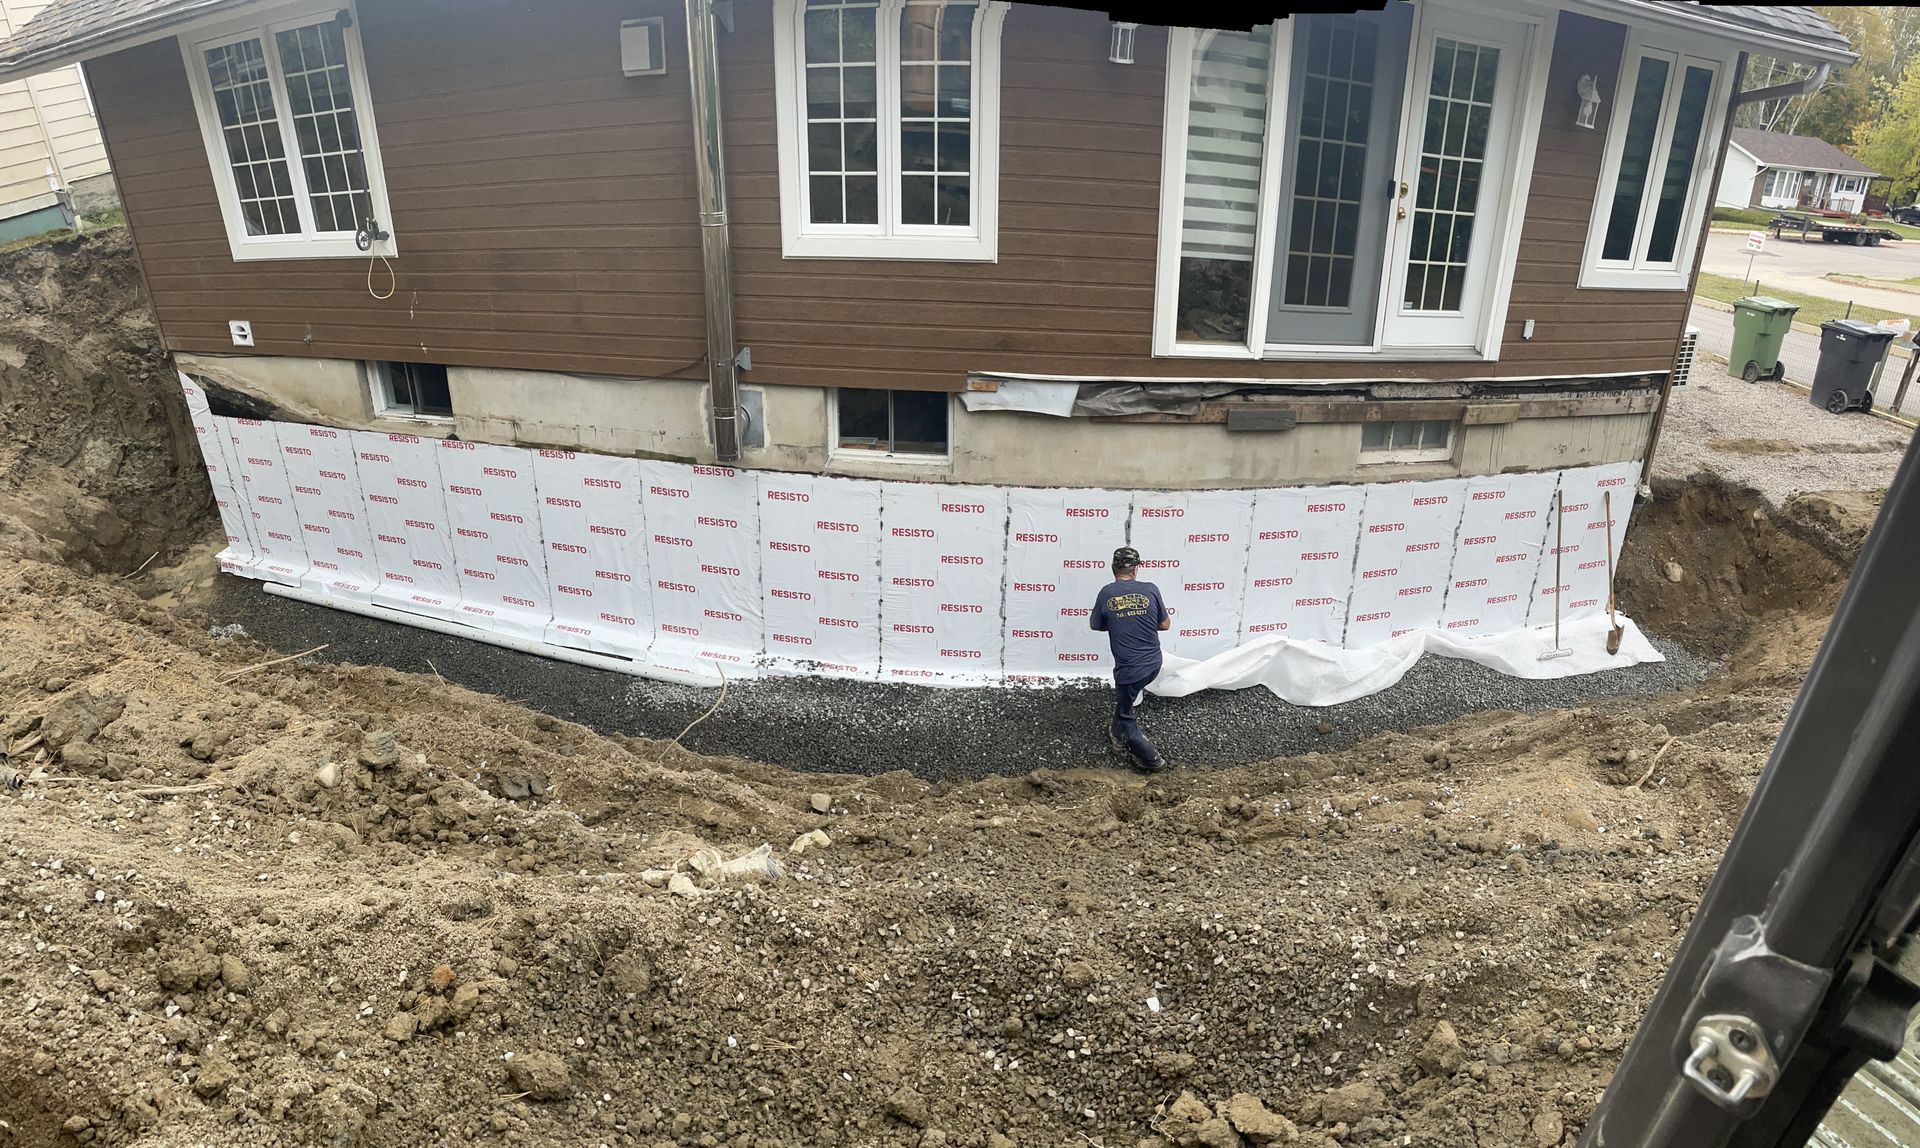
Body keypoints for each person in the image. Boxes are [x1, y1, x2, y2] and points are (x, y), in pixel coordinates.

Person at [1089, 546, 1170, 771]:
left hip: (1129, 671)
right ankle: (1116, 735)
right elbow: (1165, 624)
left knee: (1126, 713)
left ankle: (1152, 759)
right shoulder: (1151, 589)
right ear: (1136, 569)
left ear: (1113, 568)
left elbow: (1096, 625)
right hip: (1154, 663)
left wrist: (1119, 621)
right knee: (1126, 698)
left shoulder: (1106, 593)